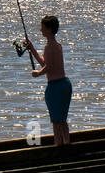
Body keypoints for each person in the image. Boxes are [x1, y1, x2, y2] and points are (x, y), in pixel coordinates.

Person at [24, 15, 72, 145]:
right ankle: (65, 144)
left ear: (49, 29)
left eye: (43, 28)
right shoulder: (57, 45)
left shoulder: (49, 47)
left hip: (56, 86)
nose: (40, 30)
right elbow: (45, 62)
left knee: (57, 121)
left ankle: (58, 145)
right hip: (64, 84)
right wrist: (32, 49)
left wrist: (38, 73)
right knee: (61, 120)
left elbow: (48, 67)